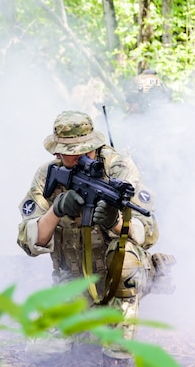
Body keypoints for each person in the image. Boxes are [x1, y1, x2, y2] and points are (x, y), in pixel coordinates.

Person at [17, 111, 173, 366]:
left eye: (85, 152)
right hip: (75, 282)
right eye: (71, 153)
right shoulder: (48, 175)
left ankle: (117, 355)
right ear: (57, 153)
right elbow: (27, 241)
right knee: (42, 350)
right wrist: (56, 211)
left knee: (127, 264)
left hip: (117, 276)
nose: (79, 158)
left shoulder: (118, 169)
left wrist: (116, 222)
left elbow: (149, 232)